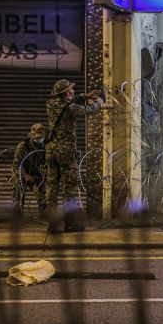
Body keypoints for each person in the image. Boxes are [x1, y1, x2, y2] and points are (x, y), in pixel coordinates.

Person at [44, 79, 105, 233]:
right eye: (71, 89)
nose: (73, 91)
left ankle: (52, 224)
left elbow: (68, 101)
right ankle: (70, 223)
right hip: (65, 151)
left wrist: (86, 95)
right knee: (69, 188)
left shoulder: (50, 104)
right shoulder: (71, 108)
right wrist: (100, 101)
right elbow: (89, 111)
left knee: (51, 188)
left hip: (51, 151)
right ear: (66, 93)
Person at [12, 123, 47, 216]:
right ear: (31, 135)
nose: (38, 139)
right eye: (36, 136)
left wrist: (44, 174)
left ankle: (44, 215)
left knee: (43, 193)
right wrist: (25, 175)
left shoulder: (45, 147)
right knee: (19, 193)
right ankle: (17, 216)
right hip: (21, 172)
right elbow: (16, 163)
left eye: (40, 136)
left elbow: (45, 162)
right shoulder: (23, 146)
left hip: (35, 173)